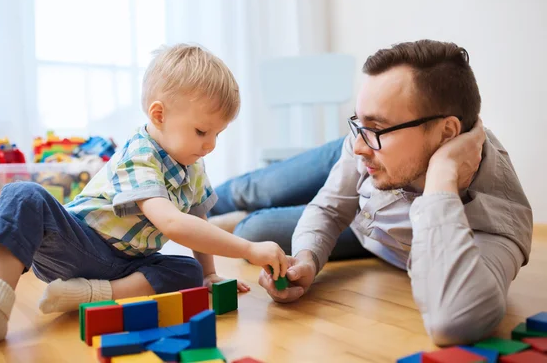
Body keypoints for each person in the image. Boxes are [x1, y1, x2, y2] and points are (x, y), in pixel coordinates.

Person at [0, 44, 288, 344]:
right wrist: (248, 247)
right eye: (202, 131)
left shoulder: (193, 164)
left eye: (218, 134)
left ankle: (88, 294)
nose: (211, 144)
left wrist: (210, 273)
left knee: (188, 273)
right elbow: (171, 222)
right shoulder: (140, 154)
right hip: (80, 244)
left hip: (126, 263)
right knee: (23, 193)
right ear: (159, 114)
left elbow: (198, 217)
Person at [210, 40, 533, 346]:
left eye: (377, 126)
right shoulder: (362, 144)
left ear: (447, 133)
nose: (359, 146)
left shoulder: (498, 216)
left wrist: (441, 177)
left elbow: (454, 322)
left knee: (252, 229)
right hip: (373, 179)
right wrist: (308, 257)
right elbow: (330, 208)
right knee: (257, 189)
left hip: (372, 216)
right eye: (359, 122)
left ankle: (231, 221)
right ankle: (191, 203)